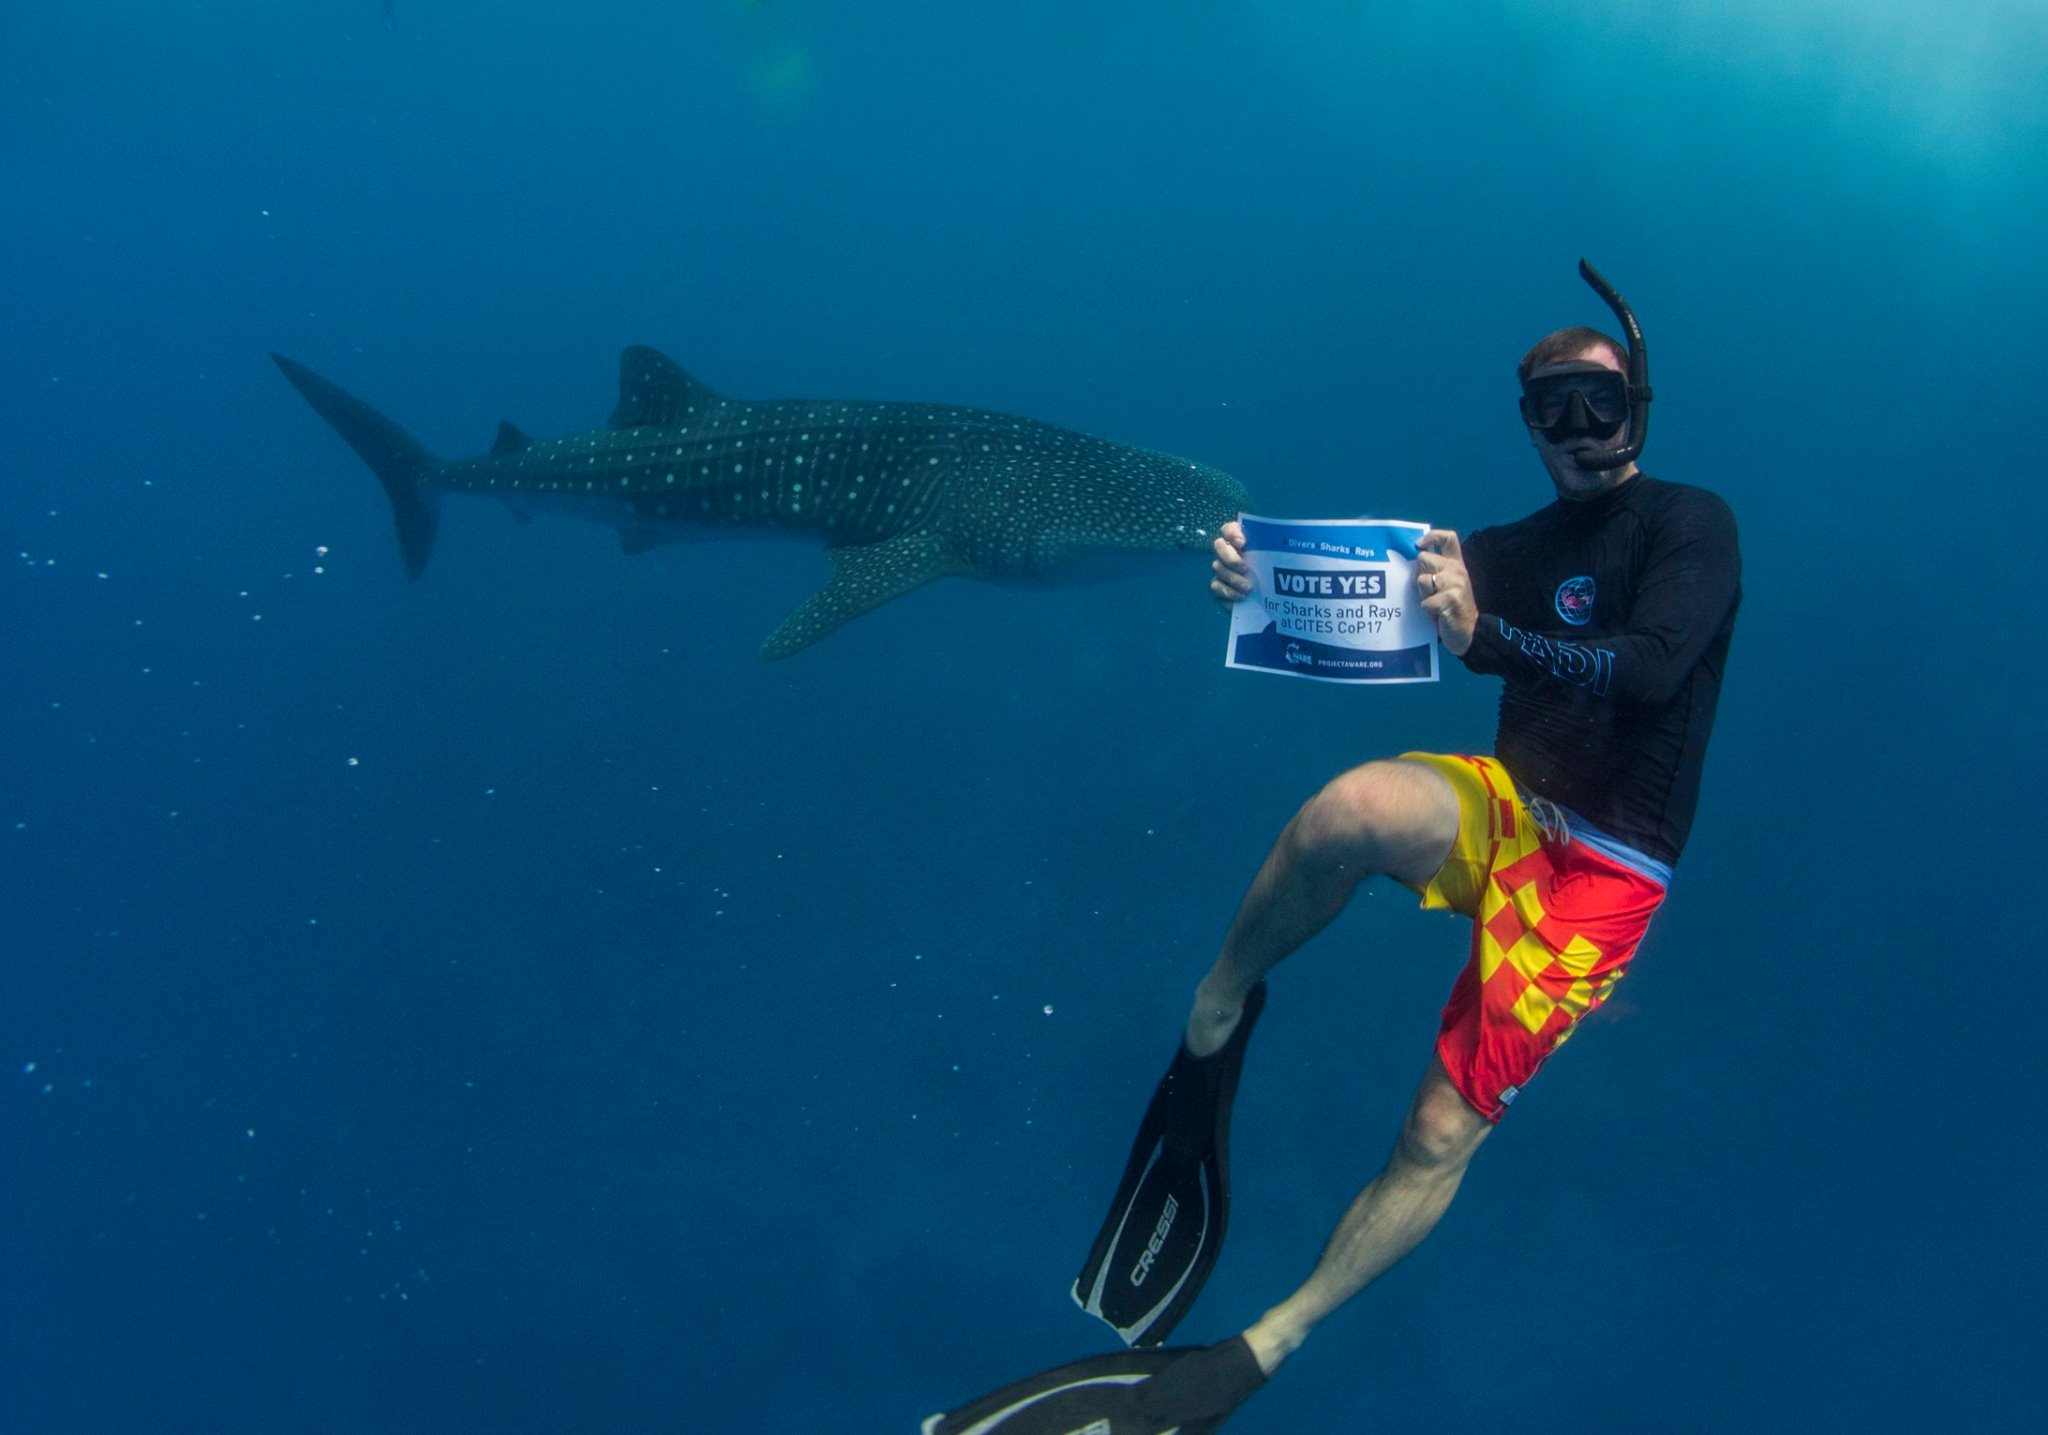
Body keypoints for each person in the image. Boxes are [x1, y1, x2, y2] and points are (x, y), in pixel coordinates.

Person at [926, 262, 1741, 1434]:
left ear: (1638, 410)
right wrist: (1249, 582)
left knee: (1435, 1130)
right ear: (1526, 424)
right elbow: (1362, 603)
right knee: (1342, 812)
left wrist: (1490, 633)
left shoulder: (1689, 525)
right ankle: (1214, 1009)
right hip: (1513, 804)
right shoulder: (1502, 548)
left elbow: (1651, 668)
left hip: (1607, 871)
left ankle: (1262, 1344)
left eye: (1599, 404)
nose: (1578, 432)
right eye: (1552, 407)